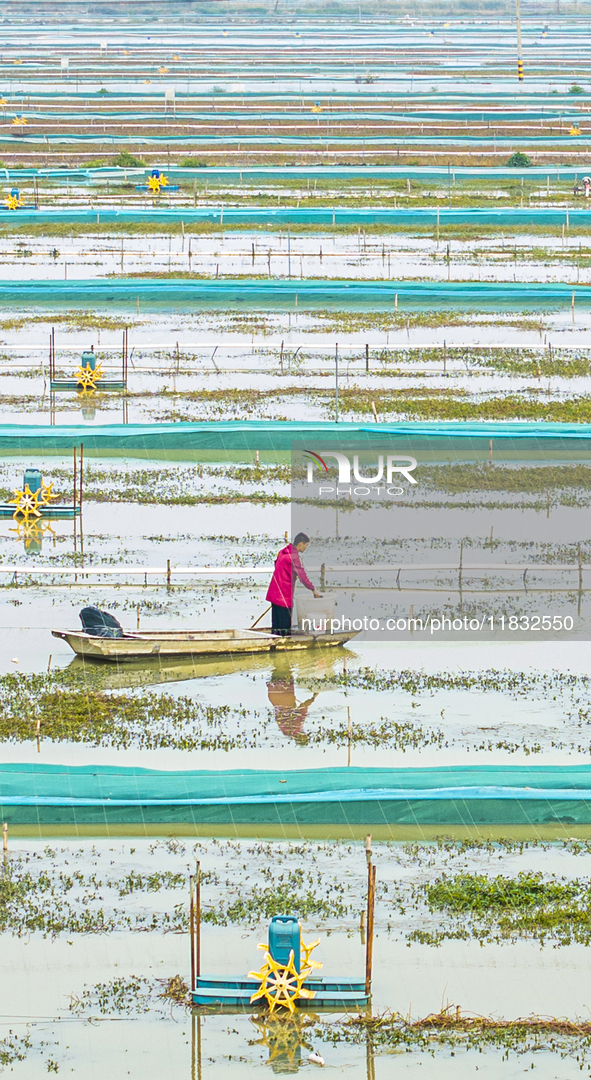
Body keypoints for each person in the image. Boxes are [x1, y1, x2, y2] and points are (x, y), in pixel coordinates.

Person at [266, 532, 321, 636]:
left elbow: (276, 563)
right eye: (306, 545)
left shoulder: (283, 552)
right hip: (284, 596)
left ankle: (274, 645)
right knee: (285, 626)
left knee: (276, 625)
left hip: (274, 593)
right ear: (300, 544)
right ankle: (284, 647)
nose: (306, 547)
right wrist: (313, 589)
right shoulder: (294, 557)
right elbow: (303, 576)